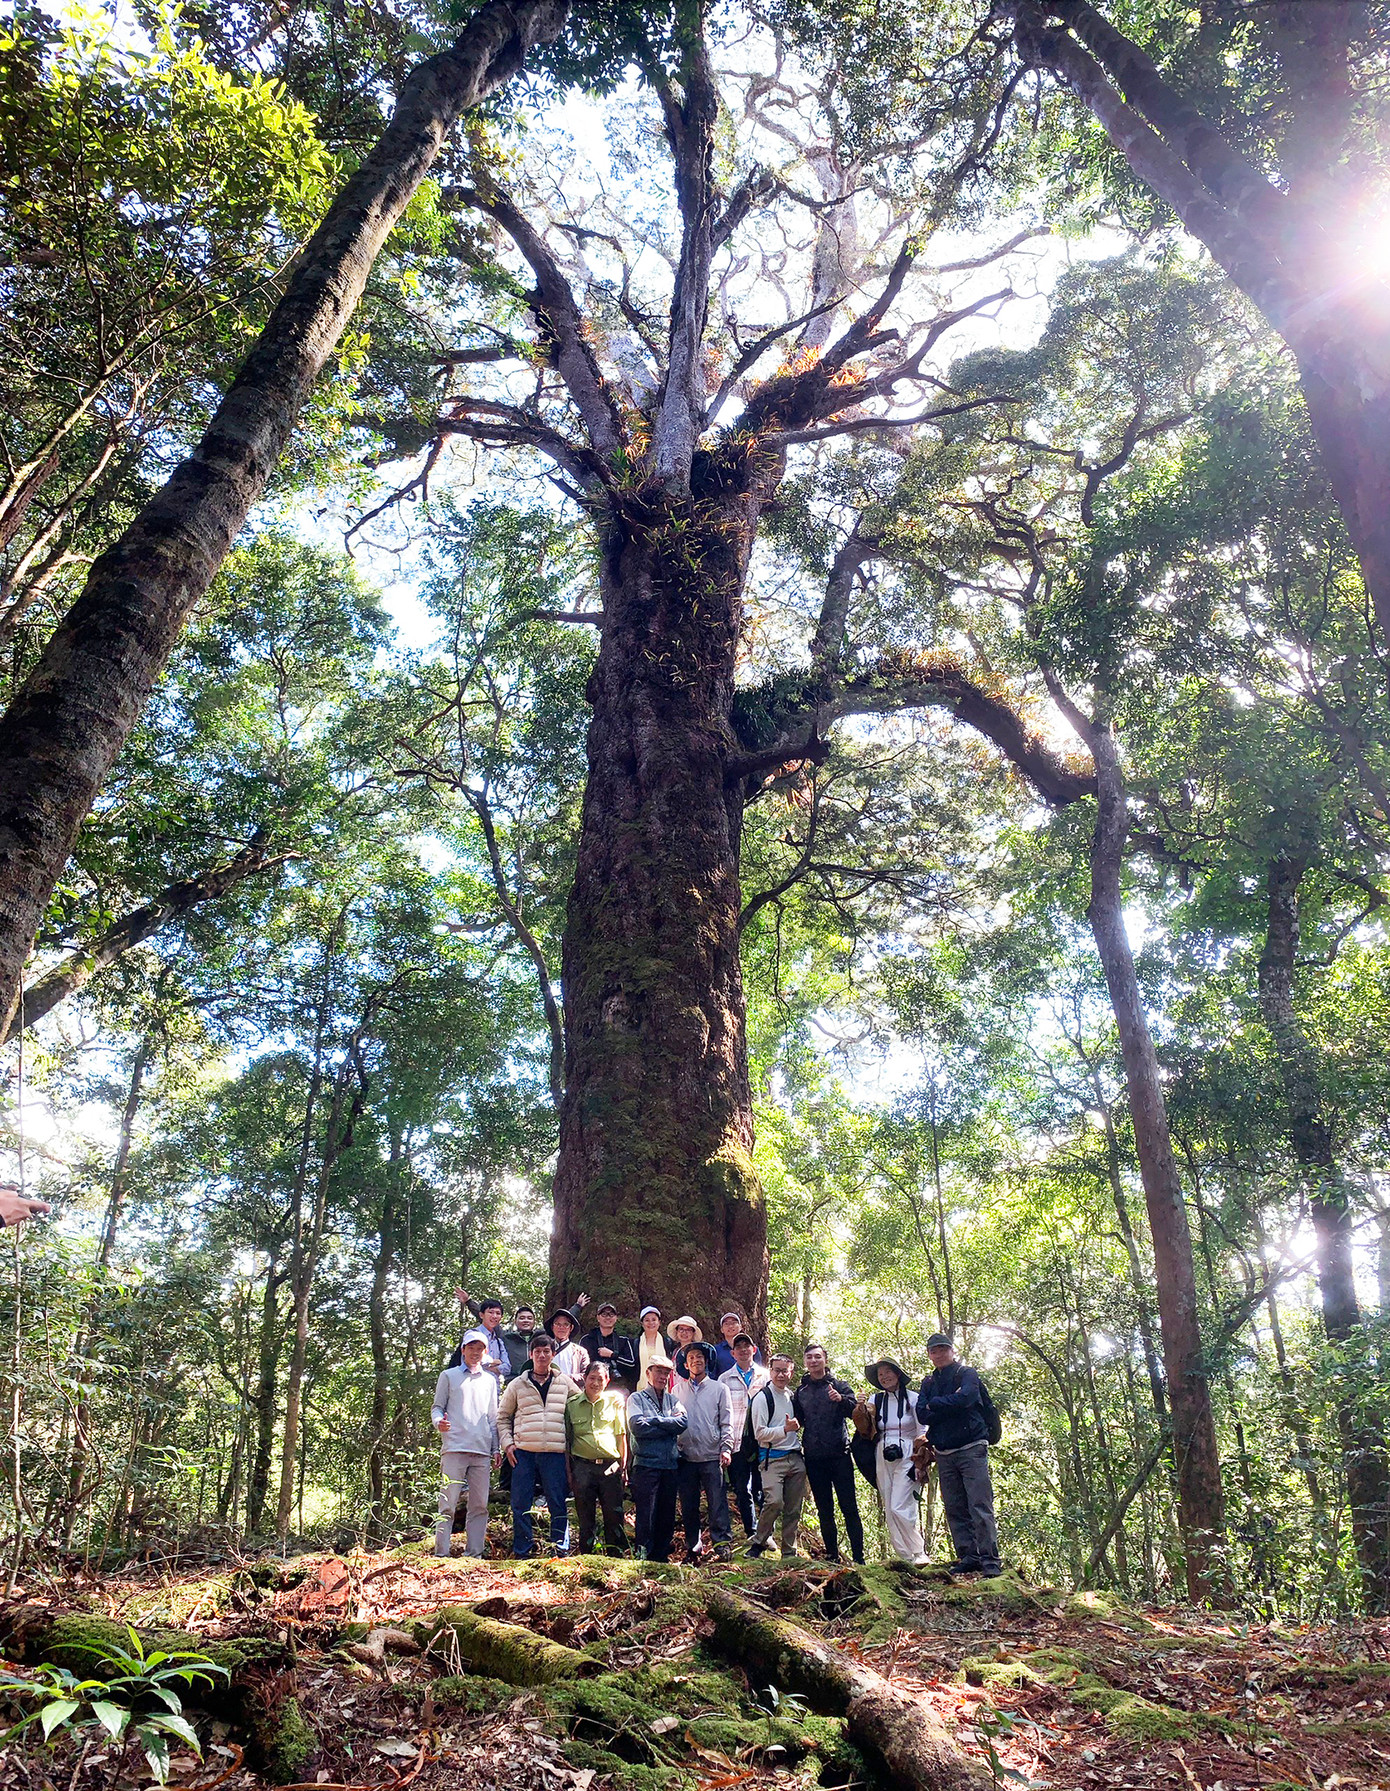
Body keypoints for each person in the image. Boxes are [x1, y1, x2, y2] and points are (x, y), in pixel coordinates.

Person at [916, 1332, 1002, 1578]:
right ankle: (969, 1556)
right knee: (954, 1506)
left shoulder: (967, 1374)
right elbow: (922, 1413)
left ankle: (990, 1560)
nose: (939, 1354)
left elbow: (967, 1398)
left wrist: (937, 1405)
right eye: (934, 1350)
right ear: (929, 1355)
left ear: (952, 1351)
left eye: (943, 1349)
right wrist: (946, 1404)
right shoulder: (928, 1383)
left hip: (971, 1448)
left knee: (979, 1503)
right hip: (944, 1452)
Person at [497, 1334, 580, 1558]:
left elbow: (582, 1405)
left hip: (554, 1452)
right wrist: (508, 1444)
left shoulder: (564, 1382)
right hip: (523, 1452)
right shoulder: (517, 1384)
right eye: (537, 1352)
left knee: (557, 1501)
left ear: (553, 1355)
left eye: (546, 1351)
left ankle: (558, 1550)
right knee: (520, 1503)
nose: (542, 1356)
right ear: (531, 1354)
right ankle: (523, 1551)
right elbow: (503, 1416)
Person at [794, 1345, 864, 1566]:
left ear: (825, 1359)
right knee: (825, 1509)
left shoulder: (839, 1385)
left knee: (849, 1507)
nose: (814, 1361)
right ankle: (832, 1555)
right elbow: (798, 1420)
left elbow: (855, 1412)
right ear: (805, 1361)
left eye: (818, 1357)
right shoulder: (801, 1391)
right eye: (809, 1357)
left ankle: (858, 1558)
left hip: (840, 1456)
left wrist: (840, 1399)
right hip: (814, 1458)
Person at [431, 1328, 499, 1557]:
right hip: (454, 1448)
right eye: (471, 1347)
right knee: (448, 1503)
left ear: (485, 1351)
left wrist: (496, 1448)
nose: (475, 1352)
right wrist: (438, 1422)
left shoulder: (490, 1380)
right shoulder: (448, 1376)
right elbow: (437, 1407)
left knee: (479, 1506)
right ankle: (441, 1553)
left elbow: (493, 1417)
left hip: (481, 1450)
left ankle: (475, 1555)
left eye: (480, 1348)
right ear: (463, 1350)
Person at [673, 1340, 734, 1561]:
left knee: (717, 1502)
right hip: (685, 1456)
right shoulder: (677, 1390)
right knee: (689, 1504)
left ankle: (722, 1544)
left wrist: (726, 1448)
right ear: (686, 1365)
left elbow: (727, 1422)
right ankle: (694, 1547)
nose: (696, 1361)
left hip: (711, 1455)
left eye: (699, 1357)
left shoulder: (720, 1389)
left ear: (706, 1361)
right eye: (691, 1358)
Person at [864, 1357, 927, 1566]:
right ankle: (905, 1556)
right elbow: (865, 1427)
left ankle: (918, 1551)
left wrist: (921, 1460)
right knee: (890, 1505)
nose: (884, 1377)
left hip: (909, 1452)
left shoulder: (913, 1399)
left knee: (900, 1504)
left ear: (898, 1374)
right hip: (883, 1453)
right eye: (880, 1374)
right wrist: (859, 1408)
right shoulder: (875, 1401)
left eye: (888, 1372)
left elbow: (922, 1430)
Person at [626, 1357, 687, 1562]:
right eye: (658, 1372)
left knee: (666, 1512)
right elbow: (637, 1427)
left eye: (666, 1373)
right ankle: (642, 1555)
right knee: (646, 1513)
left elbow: (682, 1423)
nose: (662, 1377)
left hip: (670, 1464)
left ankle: (661, 1556)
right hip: (646, 1464)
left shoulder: (673, 1400)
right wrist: (667, 1426)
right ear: (648, 1373)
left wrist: (655, 1420)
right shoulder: (636, 1398)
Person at [566, 1360, 629, 1554]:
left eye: (600, 1379)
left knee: (614, 1514)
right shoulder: (572, 1405)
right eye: (592, 1378)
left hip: (611, 1467)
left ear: (607, 1380)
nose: (595, 1383)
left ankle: (615, 1557)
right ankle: (587, 1557)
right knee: (585, 1516)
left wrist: (623, 1468)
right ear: (584, 1379)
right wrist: (570, 1472)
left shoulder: (615, 1403)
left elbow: (621, 1436)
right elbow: (567, 1442)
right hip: (583, 1467)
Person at [747, 1354, 807, 1559]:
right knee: (774, 1502)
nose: (781, 1374)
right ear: (770, 1372)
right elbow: (760, 1433)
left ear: (791, 1372)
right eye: (777, 1370)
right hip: (771, 1458)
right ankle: (758, 1542)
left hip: (795, 1458)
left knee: (793, 1508)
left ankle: (789, 1551)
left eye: (785, 1370)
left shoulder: (791, 1396)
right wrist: (784, 1429)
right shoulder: (763, 1397)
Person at [718, 1333, 768, 1537]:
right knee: (742, 1488)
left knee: (763, 1487)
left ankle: (767, 1532)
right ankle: (752, 1531)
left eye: (747, 1346)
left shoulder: (765, 1376)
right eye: (738, 1347)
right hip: (736, 1440)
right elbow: (720, 1413)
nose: (743, 1350)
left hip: (761, 1440)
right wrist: (724, 1444)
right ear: (732, 1353)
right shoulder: (724, 1379)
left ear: (753, 1350)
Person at [580, 1302, 639, 1390]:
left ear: (616, 1318)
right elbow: (582, 1365)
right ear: (598, 1318)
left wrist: (612, 1355)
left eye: (611, 1314)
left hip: (618, 1387)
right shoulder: (587, 1340)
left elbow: (631, 1363)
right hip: (593, 1386)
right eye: (604, 1314)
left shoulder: (623, 1341)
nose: (608, 1317)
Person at [453, 1292, 507, 1378]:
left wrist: (485, 1366)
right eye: (491, 1312)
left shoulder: (498, 1341)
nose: (494, 1316)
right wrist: (494, 1362)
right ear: (481, 1315)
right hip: (472, 1383)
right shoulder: (472, 1334)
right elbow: (470, 1359)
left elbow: (507, 1368)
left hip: (493, 1388)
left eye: (498, 1313)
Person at [711, 1313, 763, 1377]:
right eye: (726, 1324)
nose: (730, 1326)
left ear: (740, 1327)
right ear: (722, 1329)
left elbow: (759, 1370)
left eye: (733, 1323)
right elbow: (712, 1374)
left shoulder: (751, 1348)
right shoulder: (716, 1350)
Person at [547, 1304, 590, 1381]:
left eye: (566, 1324)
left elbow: (586, 1375)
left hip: (572, 1391)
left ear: (571, 1328)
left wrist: (565, 1378)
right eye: (557, 1324)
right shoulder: (544, 1349)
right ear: (552, 1327)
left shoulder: (580, 1351)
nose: (561, 1327)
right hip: (549, 1391)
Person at [637, 1306, 667, 1382]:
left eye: (654, 1320)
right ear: (642, 1323)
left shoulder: (666, 1342)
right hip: (641, 1387)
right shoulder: (636, 1343)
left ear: (659, 1322)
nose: (650, 1323)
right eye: (647, 1320)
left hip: (664, 1385)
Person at [668, 1314, 702, 1380]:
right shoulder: (674, 1351)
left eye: (688, 1330)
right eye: (681, 1329)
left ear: (693, 1333)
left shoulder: (698, 1353)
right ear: (677, 1331)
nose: (684, 1333)